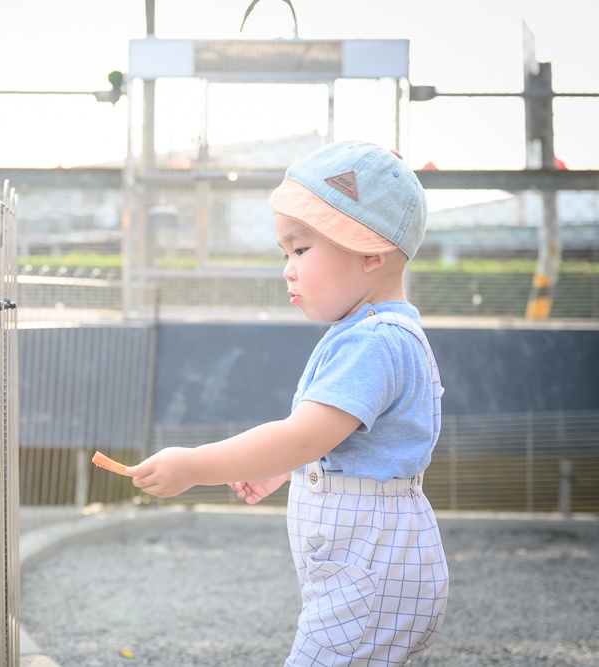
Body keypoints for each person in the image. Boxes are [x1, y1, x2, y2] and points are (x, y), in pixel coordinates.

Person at [126, 140, 449, 666]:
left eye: (301, 250)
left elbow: (301, 436)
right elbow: (335, 440)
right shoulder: (378, 333)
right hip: (373, 571)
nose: (288, 269)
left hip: (366, 577)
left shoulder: (373, 342)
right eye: (285, 254)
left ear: (370, 250)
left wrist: (195, 465)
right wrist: (290, 469)